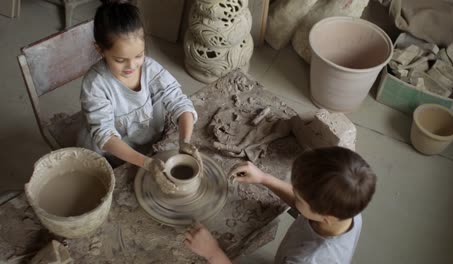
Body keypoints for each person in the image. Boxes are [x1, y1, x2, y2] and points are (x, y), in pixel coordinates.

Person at [184, 146, 377, 264]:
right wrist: (264, 178)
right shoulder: (348, 209)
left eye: (299, 198)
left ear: (326, 216)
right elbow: (305, 202)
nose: (293, 194)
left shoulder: (306, 260)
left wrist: (213, 253)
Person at [77, 0, 200, 175]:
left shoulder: (150, 69)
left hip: (148, 143)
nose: (132, 66)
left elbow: (179, 103)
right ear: (100, 50)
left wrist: (185, 142)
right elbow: (105, 136)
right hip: (110, 153)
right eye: (120, 60)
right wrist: (146, 163)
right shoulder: (95, 84)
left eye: (138, 55)